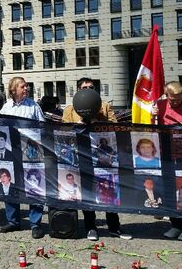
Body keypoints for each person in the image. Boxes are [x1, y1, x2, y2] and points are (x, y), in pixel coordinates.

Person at [62, 77, 131, 241]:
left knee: (109, 190)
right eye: (84, 87)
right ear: (78, 90)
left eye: (91, 87)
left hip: (103, 160)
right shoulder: (69, 109)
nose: (88, 90)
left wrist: (98, 122)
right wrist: (77, 124)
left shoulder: (105, 106)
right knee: (87, 191)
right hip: (82, 157)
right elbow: (63, 132)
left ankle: (114, 227)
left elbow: (115, 127)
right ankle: (91, 227)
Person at [151, 81, 182, 240]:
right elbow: (152, 130)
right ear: (166, 96)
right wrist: (152, 116)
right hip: (166, 155)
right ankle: (175, 224)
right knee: (169, 191)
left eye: (179, 99)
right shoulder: (160, 106)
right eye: (173, 100)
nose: (176, 102)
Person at [0, 76, 45, 239]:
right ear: (13, 89)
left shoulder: (33, 106)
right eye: (23, 86)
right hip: (12, 152)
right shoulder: (6, 107)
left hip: (32, 151)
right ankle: (13, 221)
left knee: (35, 185)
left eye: (26, 86)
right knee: (9, 184)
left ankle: (35, 224)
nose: (26, 89)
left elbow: (43, 127)